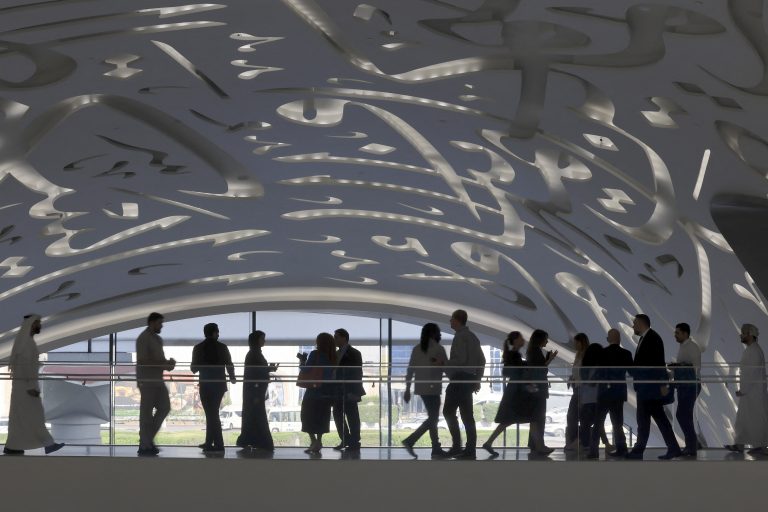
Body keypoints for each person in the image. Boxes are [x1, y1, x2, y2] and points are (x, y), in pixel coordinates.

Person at [3, 315, 65, 456]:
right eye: (38, 323)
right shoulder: (26, 343)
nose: (40, 326)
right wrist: (31, 386)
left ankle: (13, 446)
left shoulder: (26, 341)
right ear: (31, 325)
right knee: (33, 417)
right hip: (26, 388)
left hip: (24, 387)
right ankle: (48, 444)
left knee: (22, 418)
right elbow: (25, 367)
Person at [627, 314, 681, 460]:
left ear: (641, 323)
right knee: (650, 419)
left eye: (634, 323)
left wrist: (662, 384)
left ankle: (640, 451)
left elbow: (657, 364)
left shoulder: (652, 339)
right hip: (647, 387)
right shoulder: (648, 338)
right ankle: (672, 448)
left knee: (649, 419)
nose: (633, 326)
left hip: (650, 388)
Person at [443, 309, 486, 459]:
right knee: (467, 415)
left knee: (448, 412)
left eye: (451, 319)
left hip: (459, 378)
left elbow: (460, 360)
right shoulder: (473, 337)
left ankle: (457, 446)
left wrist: (444, 364)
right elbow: (482, 360)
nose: (450, 321)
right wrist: (477, 379)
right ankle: (469, 449)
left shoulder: (460, 337)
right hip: (469, 379)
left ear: (457, 320)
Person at [402, 323, 449, 459]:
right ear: (435, 334)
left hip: (421, 387)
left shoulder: (417, 349)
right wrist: (442, 364)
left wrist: (407, 389)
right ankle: (411, 440)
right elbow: (446, 367)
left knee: (433, 418)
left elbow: (410, 369)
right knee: (433, 418)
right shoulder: (438, 349)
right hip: (433, 387)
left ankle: (436, 448)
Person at [482, 331, 532, 457]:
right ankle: (538, 445)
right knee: (530, 417)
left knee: (508, 420)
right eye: (521, 338)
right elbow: (516, 372)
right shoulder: (515, 356)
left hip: (514, 390)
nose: (523, 340)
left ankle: (489, 442)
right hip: (516, 392)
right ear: (515, 341)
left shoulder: (513, 355)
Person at [191, 323, 236, 454]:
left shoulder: (198, 348)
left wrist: (203, 364)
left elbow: (194, 369)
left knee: (211, 414)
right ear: (215, 333)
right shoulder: (222, 347)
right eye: (218, 332)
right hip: (219, 385)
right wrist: (232, 378)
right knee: (213, 414)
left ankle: (216, 444)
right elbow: (229, 364)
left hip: (205, 385)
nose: (219, 334)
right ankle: (212, 443)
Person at [136, 312, 176, 456]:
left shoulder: (158, 339)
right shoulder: (143, 338)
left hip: (157, 380)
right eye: (160, 323)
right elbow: (143, 361)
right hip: (147, 381)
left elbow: (158, 360)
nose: (162, 326)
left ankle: (146, 440)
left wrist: (167, 364)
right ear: (151, 323)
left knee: (165, 407)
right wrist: (164, 364)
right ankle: (145, 444)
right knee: (146, 414)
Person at [725, 323, 768, 455]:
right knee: (744, 420)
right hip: (750, 393)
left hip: (753, 393)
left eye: (743, 333)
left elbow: (752, 373)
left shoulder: (754, 351)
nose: (741, 335)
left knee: (755, 420)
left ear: (750, 335)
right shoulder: (752, 350)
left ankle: (761, 446)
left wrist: (743, 390)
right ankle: (741, 444)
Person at [592, 328, 633, 458]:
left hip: (603, 392)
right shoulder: (626, 353)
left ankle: (593, 450)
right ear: (619, 339)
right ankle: (622, 449)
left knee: (598, 421)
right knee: (617, 423)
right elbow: (632, 372)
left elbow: (597, 373)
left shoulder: (601, 353)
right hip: (618, 392)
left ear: (608, 339)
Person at [237, 330, 278, 452]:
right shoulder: (255, 354)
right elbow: (256, 373)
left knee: (253, 417)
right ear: (257, 340)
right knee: (257, 417)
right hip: (255, 391)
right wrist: (268, 369)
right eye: (262, 339)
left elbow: (256, 371)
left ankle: (250, 441)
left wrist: (268, 369)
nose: (264, 341)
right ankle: (261, 442)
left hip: (254, 390)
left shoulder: (253, 354)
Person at [298, 332, 337, 454]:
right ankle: (318, 441)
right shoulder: (333, 356)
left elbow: (306, 369)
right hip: (326, 391)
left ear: (319, 342)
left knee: (307, 416)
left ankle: (313, 441)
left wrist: (302, 361)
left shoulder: (315, 354)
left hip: (313, 392)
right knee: (321, 417)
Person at [670, 322, 702, 457]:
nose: (675, 335)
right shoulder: (684, 347)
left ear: (685, 333)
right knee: (684, 415)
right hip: (685, 385)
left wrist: (677, 367)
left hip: (690, 385)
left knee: (682, 415)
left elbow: (695, 367)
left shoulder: (692, 347)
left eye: (677, 333)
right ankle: (692, 444)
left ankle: (692, 445)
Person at [332, 328, 365, 452]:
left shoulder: (354, 353)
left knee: (352, 415)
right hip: (337, 389)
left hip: (350, 389)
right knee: (337, 414)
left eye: (336, 337)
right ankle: (346, 439)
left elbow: (357, 373)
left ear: (344, 338)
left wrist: (354, 391)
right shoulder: (335, 353)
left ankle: (354, 441)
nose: (334, 339)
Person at [526, 329, 558, 455]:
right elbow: (542, 370)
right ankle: (539, 445)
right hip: (538, 388)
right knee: (538, 417)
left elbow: (539, 368)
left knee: (536, 417)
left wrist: (548, 359)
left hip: (535, 388)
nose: (547, 341)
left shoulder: (532, 351)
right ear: (540, 340)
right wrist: (549, 360)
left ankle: (535, 443)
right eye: (546, 339)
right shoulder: (535, 351)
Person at [578, 342, 603, 458]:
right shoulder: (600, 367)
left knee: (585, 425)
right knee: (598, 425)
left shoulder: (584, 367)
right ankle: (594, 448)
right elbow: (593, 383)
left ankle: (586, 447)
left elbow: (585, 383)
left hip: (586, 399)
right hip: (597, 399)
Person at [564, 333, 589, 451]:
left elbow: (585, 373)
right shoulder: (578, 355)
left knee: (574, 415)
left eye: (576, 342)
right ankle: (577, 441)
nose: (574, 344)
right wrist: (572, 378)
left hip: (582, 390)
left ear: (581, 342)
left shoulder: (586, 356)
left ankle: (577, 441)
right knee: (573, 416)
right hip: (577, 389)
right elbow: (577, 372)